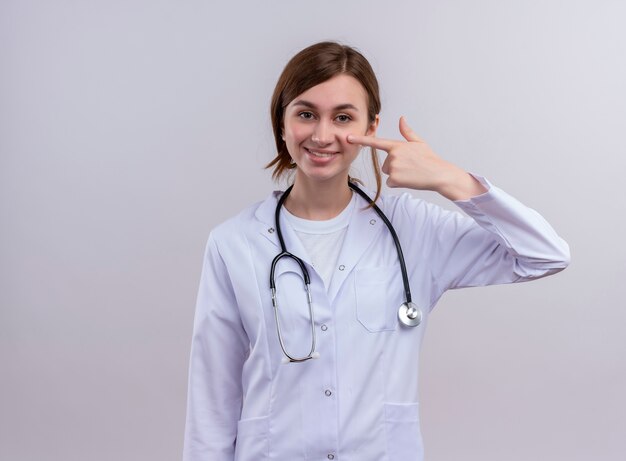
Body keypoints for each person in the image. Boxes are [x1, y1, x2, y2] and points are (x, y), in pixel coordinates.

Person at [182, 41, 570, 461]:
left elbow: (545, 254)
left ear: (370, 128)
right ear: (282, 121)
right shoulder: (234, 242)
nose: (322, 135)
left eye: (343, 117)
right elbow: (212, 399)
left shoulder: (414, 229)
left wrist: (448, 178)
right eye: (306, 113)